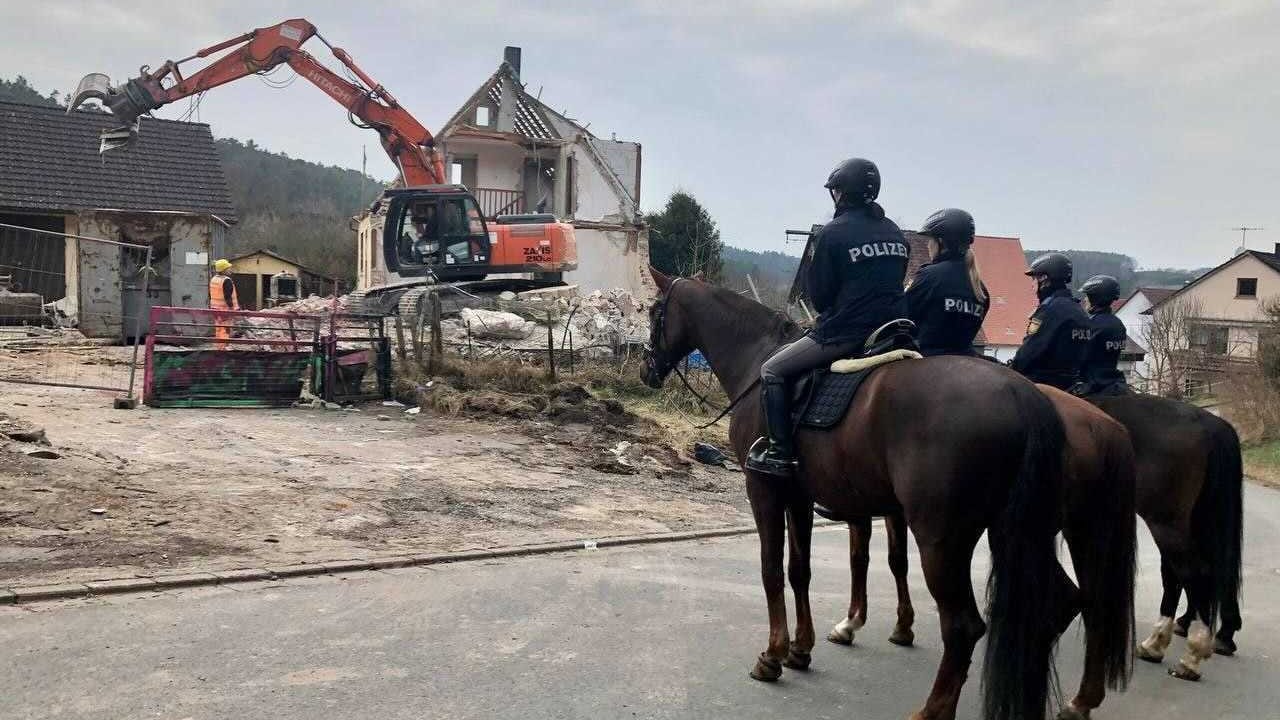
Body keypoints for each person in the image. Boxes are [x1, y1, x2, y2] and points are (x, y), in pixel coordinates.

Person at [745, 158, 909, 477]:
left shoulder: (833, 233)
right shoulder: (894, 232)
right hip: (894, 331)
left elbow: (819, 298)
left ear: (841, 193)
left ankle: (780, 452)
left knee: (772, 370)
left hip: (847, 333)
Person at [905, 208, 988, 356]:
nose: (928, 245)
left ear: (941, 241)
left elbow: (902, 316)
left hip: (926, 358)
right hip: (967, 358)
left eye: (930, 240)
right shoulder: (981, 289)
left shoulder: (929, 276)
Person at [1008, 253, 1090, 390]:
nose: (1032, 285)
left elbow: (1028, 354)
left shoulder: (1049, 310)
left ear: (1044, 279)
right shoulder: (1078, 309)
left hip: (1042, 385)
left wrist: (1009, 369)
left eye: (1034, 278)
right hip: (1071, 384)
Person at [1076, 274, 1130, 396]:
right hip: (1115, 382)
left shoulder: (1092, 324)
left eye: (1087, 296)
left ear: (1096, 298)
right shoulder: (1118, 324)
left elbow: (1080, 358)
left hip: (1092, 385)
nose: (1085, 300)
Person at [209, 258, 240, 347]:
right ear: (224, 270)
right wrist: (232, 309)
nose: (230, 269)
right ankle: (223, 348)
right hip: (225, 309)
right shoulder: (226, 281)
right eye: (228, 268)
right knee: (225, 329)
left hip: (215, 308)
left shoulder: (214, 279)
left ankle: (218, 347)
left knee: (218, 328)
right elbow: (228, 297)